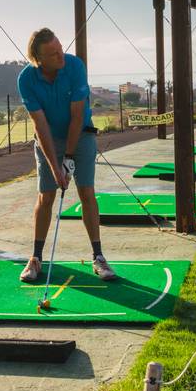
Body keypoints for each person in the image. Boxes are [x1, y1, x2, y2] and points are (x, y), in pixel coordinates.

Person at [16, 27, 116, 282]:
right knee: (46, 195)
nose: (61, 55)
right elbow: (40, 126)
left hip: (81, 134)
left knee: (86, 192)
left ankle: (98, 257)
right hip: (48, 138)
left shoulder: (74, 66)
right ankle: (36, 258)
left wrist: (68, 159)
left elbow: (76, 116)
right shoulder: (26, 79)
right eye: (53, 54)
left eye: (60, 49)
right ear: (39, 60)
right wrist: (55, 167)